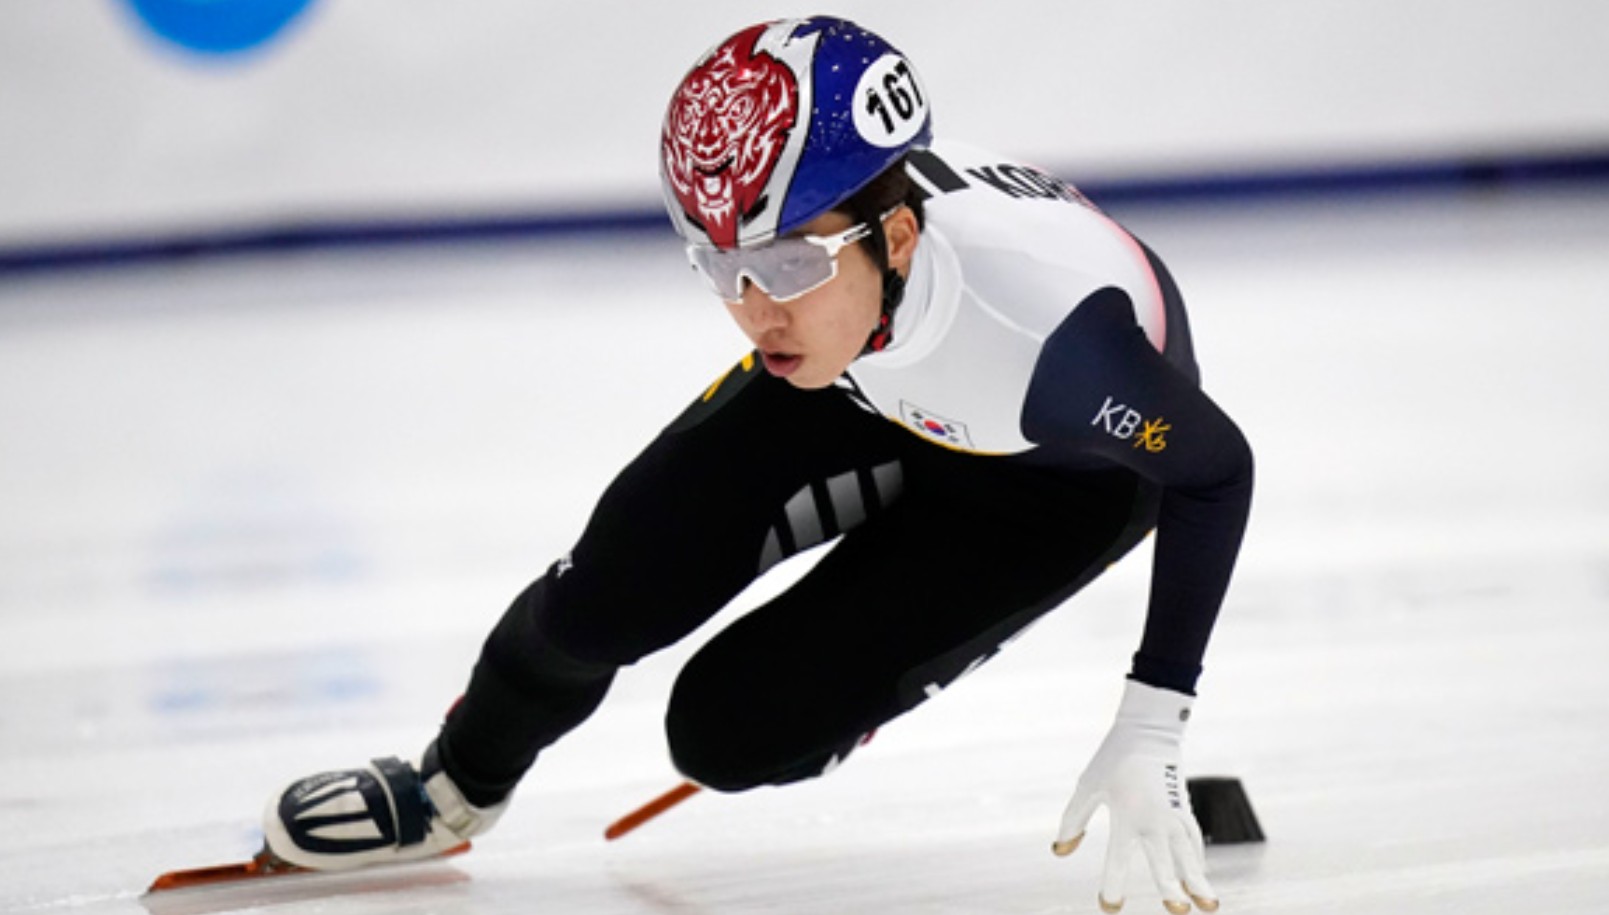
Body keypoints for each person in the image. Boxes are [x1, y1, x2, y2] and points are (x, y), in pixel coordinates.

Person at [262, 16, 1252, 914]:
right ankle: (449, 789)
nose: (753, 310)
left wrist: (1153, 721)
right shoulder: (822, 308)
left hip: (1050, 486)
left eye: (784, 265)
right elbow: (797, 312)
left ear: (897, 235)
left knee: (724, 737)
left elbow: (1214, 469)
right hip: (856, 377)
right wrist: (801, 285)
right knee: (600, 600)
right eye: (719, 265)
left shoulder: (1052, 346)